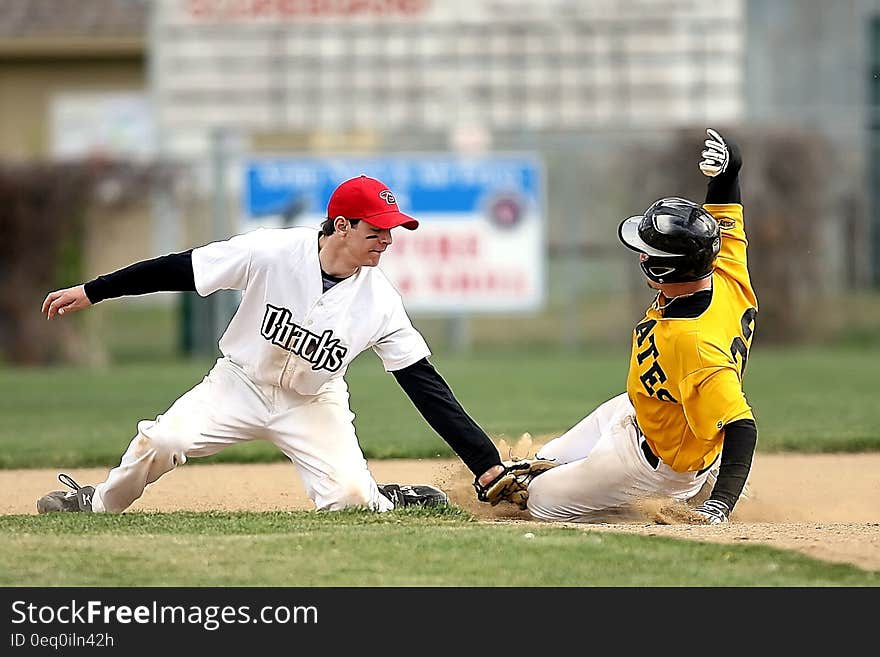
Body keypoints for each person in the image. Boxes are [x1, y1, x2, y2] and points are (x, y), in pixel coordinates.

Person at [36, 174, 531, 514]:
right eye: (377, 230)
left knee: (352, 501)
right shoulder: (271, 252)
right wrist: (93, 291)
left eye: (392, 231)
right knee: (165, 440)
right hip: (238, 384)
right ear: (342, 225)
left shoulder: (379, 301)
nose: (388, 240)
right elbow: (180, 268)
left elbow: (426, 387)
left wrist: (485, 464)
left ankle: (389, 498)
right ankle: (96, 502)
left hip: (312, 403)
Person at [514, 128, 759, 525]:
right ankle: (694, 476)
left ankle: (660, 502)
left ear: (661, 268)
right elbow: (725, 213)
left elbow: (742, 427)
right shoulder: (725, 270)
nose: (641, 255)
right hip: (644, 408)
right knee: (538, 465)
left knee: (537, 502)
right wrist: (728, 174)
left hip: (657, 465)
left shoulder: (694, 343)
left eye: (647, 252)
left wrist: (721, 505)